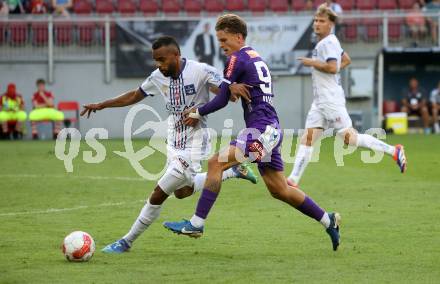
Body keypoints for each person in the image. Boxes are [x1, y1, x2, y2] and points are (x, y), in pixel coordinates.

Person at [163, 14, 342, 251]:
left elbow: (223, 98)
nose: (222, 45)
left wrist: (198, 112)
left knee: (216, 162)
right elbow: (231, 92)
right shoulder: (254, 56)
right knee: (280, 190)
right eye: (218, 40)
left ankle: (196, 224)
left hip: (261, 130)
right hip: (270, 129)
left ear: (238, 37)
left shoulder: (237, 58)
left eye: (224, 39)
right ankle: (329, 220)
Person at [80, 36, 257, 253]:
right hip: (173, 141)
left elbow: (225, 93)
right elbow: (134, 95)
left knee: (158, 193)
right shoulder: (157, 77)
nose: (159, 65)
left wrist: (226, 91)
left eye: (162, 60)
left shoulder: (200, 70)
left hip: (195, 143)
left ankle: (126, 241)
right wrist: (102, 105)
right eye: (155, 60)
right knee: (182, 192)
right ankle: (233, 172)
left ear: (176, 55)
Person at [287, 4, 407, 187]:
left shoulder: (327, 43)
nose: (317, 24)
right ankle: (293, 180)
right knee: (308, 138)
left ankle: (394, 151)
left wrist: (312, 62)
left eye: (322, 21)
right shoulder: (330, 41)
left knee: (350, 139)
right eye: (316, 20)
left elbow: (333, 66)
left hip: (330, 100)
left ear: (331, 24)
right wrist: (329, 71)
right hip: (321, 101)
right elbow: (346, 60)